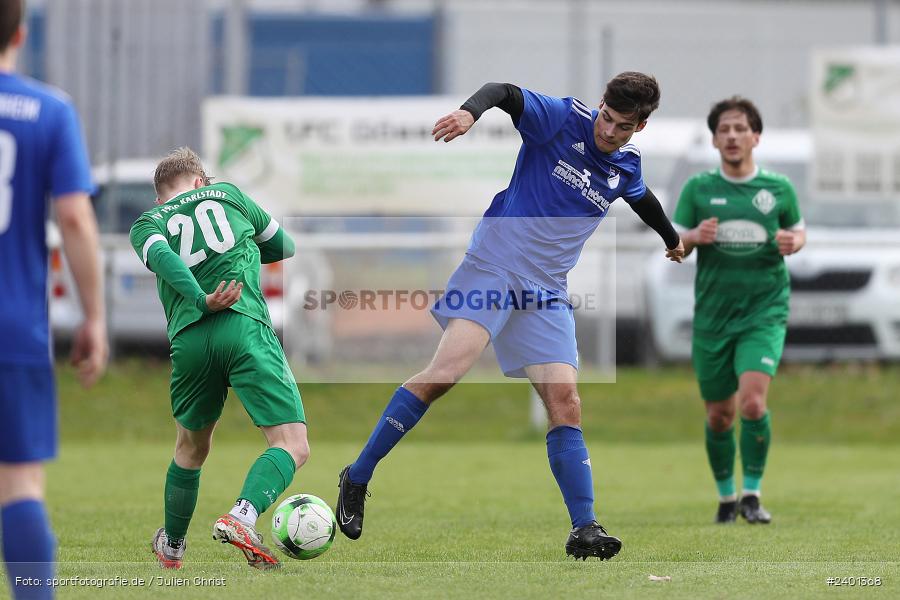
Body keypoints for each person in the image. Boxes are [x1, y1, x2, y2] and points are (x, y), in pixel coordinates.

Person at [336, 72, 685, 560]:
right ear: (601, 104)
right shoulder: (563, 118)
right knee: (445, 375)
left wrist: (671, 239)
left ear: (639, 128)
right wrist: (468, 112)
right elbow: (505, 92)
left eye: (623, 126)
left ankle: (584, 528)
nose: (609, 131)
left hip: (546, 292)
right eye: (607, 117)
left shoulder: (625, 165)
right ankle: (358, 476)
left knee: (566, 403)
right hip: (495, 268)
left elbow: (641, 197)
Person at [129, 147, 307, 570]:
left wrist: (197, 298)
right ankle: (243, 516)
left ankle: (171, 546)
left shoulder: (147, 222)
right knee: (291, 443)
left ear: (161, 196)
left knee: (190, 449)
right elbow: (285, 246)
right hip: (242, 325)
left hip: (189, 341)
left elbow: (164, 259)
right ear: (200, 182)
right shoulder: (227, 194)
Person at [0, 1, 108, 598]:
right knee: (18, 485)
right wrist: (93, 316)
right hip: (12, 329)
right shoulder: (48, 110)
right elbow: (73, 215)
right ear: (20, 32)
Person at [673, 96, 805, 525]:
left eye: (739, 128)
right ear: (714, 139)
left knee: (751, 403)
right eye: (724, 130)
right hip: (713, 316)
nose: (732, 136)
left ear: (756, 137)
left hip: (763, 311)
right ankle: (726, 498)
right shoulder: (698, 190)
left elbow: (798, 231)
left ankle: (752, 493)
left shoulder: (778, 189)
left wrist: (794, 242)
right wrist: (694, 235)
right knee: (719, 414)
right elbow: (675, 245)